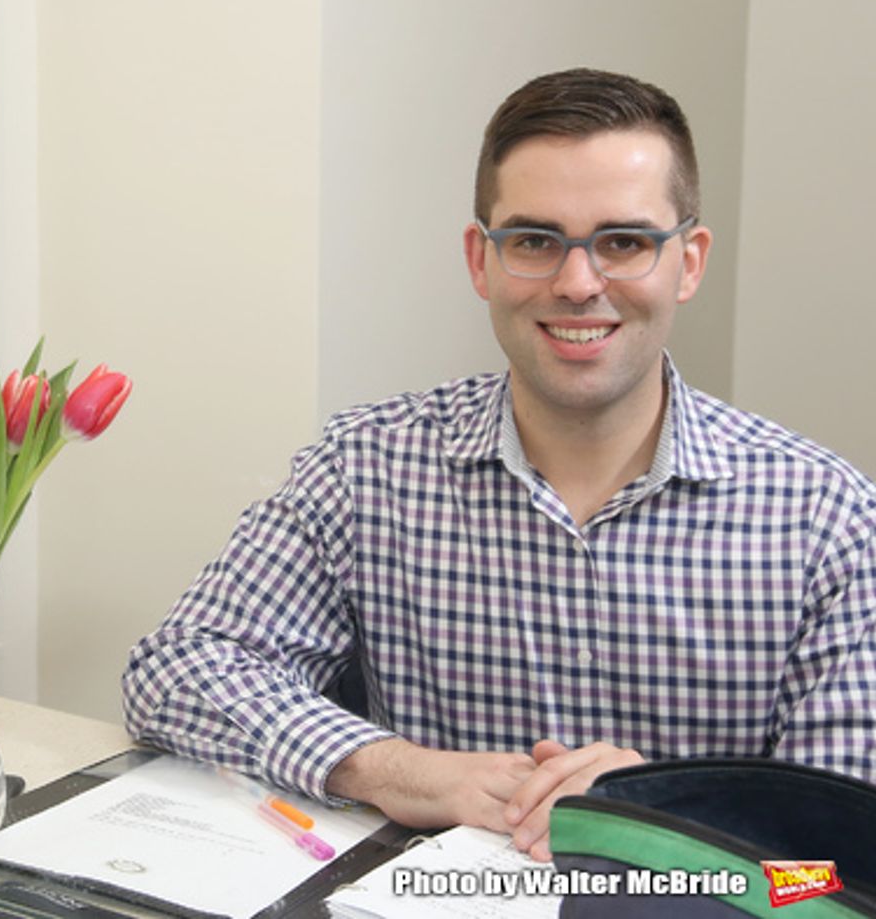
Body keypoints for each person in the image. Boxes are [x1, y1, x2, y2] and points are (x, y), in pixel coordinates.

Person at [120, 67, 876, 862]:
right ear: (481, 260)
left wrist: (662, 810)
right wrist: (395, 768)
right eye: (535, 241)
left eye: (623, 242)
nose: (578, 283)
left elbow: (841, 866)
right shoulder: (365, 467)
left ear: (687, 262)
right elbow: (175, 668)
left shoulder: (829, 519)